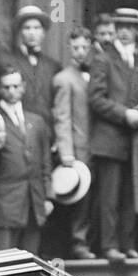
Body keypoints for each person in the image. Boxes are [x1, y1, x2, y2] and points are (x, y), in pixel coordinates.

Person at [88, 8, 138, 263]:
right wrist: (124, 114)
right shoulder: (103, 58)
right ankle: (109, 246)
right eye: (120, 26)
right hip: (109, 138)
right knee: (110, 197)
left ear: (136, 30)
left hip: (136, 139)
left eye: (130, 27)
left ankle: (128, 244)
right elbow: (95, 99)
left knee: (132, 195)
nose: (125, 32)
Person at [0, 64, 54, 253]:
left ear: (23, 87)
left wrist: (48, 197)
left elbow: (45, 162)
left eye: (16, 86)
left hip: (33, 203)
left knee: (30, 264)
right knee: (3, 264)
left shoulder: (36, 121)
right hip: (4, 203)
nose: (12, 91)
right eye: (6, 87)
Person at [52, 26, 97, 259]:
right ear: (69, 48)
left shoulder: (94, 74)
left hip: (96, 146)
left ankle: (90, 241)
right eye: (76, 47)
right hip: (77, 149)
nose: (80, 52)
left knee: (94, 200)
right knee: (79, 201)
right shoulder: (64, 79)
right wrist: (66, 151)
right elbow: (62, 117)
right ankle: (78, 243)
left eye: (84, 47)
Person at [14, 4, 60, 128]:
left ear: (43, 32)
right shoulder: (10, 61)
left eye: (36, 28)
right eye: (27, 28)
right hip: (21, 129)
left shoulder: (53, 66)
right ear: (20, 32)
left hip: (47, 131)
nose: (32, 33)